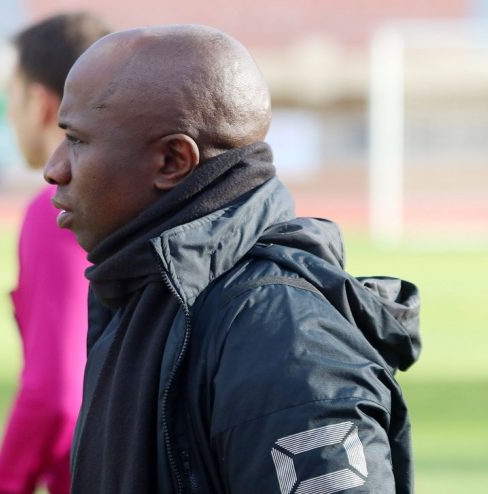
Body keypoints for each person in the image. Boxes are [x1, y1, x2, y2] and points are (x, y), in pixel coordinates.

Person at [43, 24, 421, 494]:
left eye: (77, 140)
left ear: (172, 161)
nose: (54, 168)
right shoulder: (146, 290)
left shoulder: (284, 342)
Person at [0, 13, 111, 494]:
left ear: (39, 103)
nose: (7, 113)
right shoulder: (144, 194)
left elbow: (54, 394)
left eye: (11, 95)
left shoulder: (59, 206)